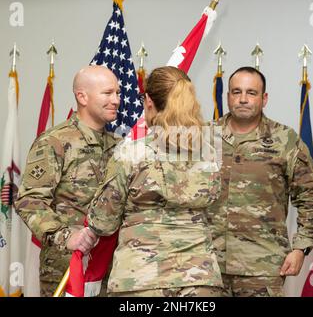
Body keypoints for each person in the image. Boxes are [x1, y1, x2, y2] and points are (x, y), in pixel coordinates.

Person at [85, 66, 224, 297]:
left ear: (148, 101)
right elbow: (216, 209)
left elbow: (103, 221)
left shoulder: (131, 152)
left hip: (141, 279)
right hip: (199, 278)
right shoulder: (210, 152)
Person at [208, 66, 313, 297]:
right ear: (227, 96)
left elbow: (309, 196)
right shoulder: (205, 137)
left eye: (251, 93)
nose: (242, 99)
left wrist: (301, 247)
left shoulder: (285, 140)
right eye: (236, 92)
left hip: (262, 266)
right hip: (208, 265)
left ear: (264, 98)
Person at [15, 65, 121, 297]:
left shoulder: (120, 146)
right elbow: (29, 201)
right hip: (65, 269)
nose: (116, 100)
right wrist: (66, 236)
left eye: (118, 93)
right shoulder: (55, 142)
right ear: (82, 96)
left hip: (110, 270)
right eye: (107, 93)